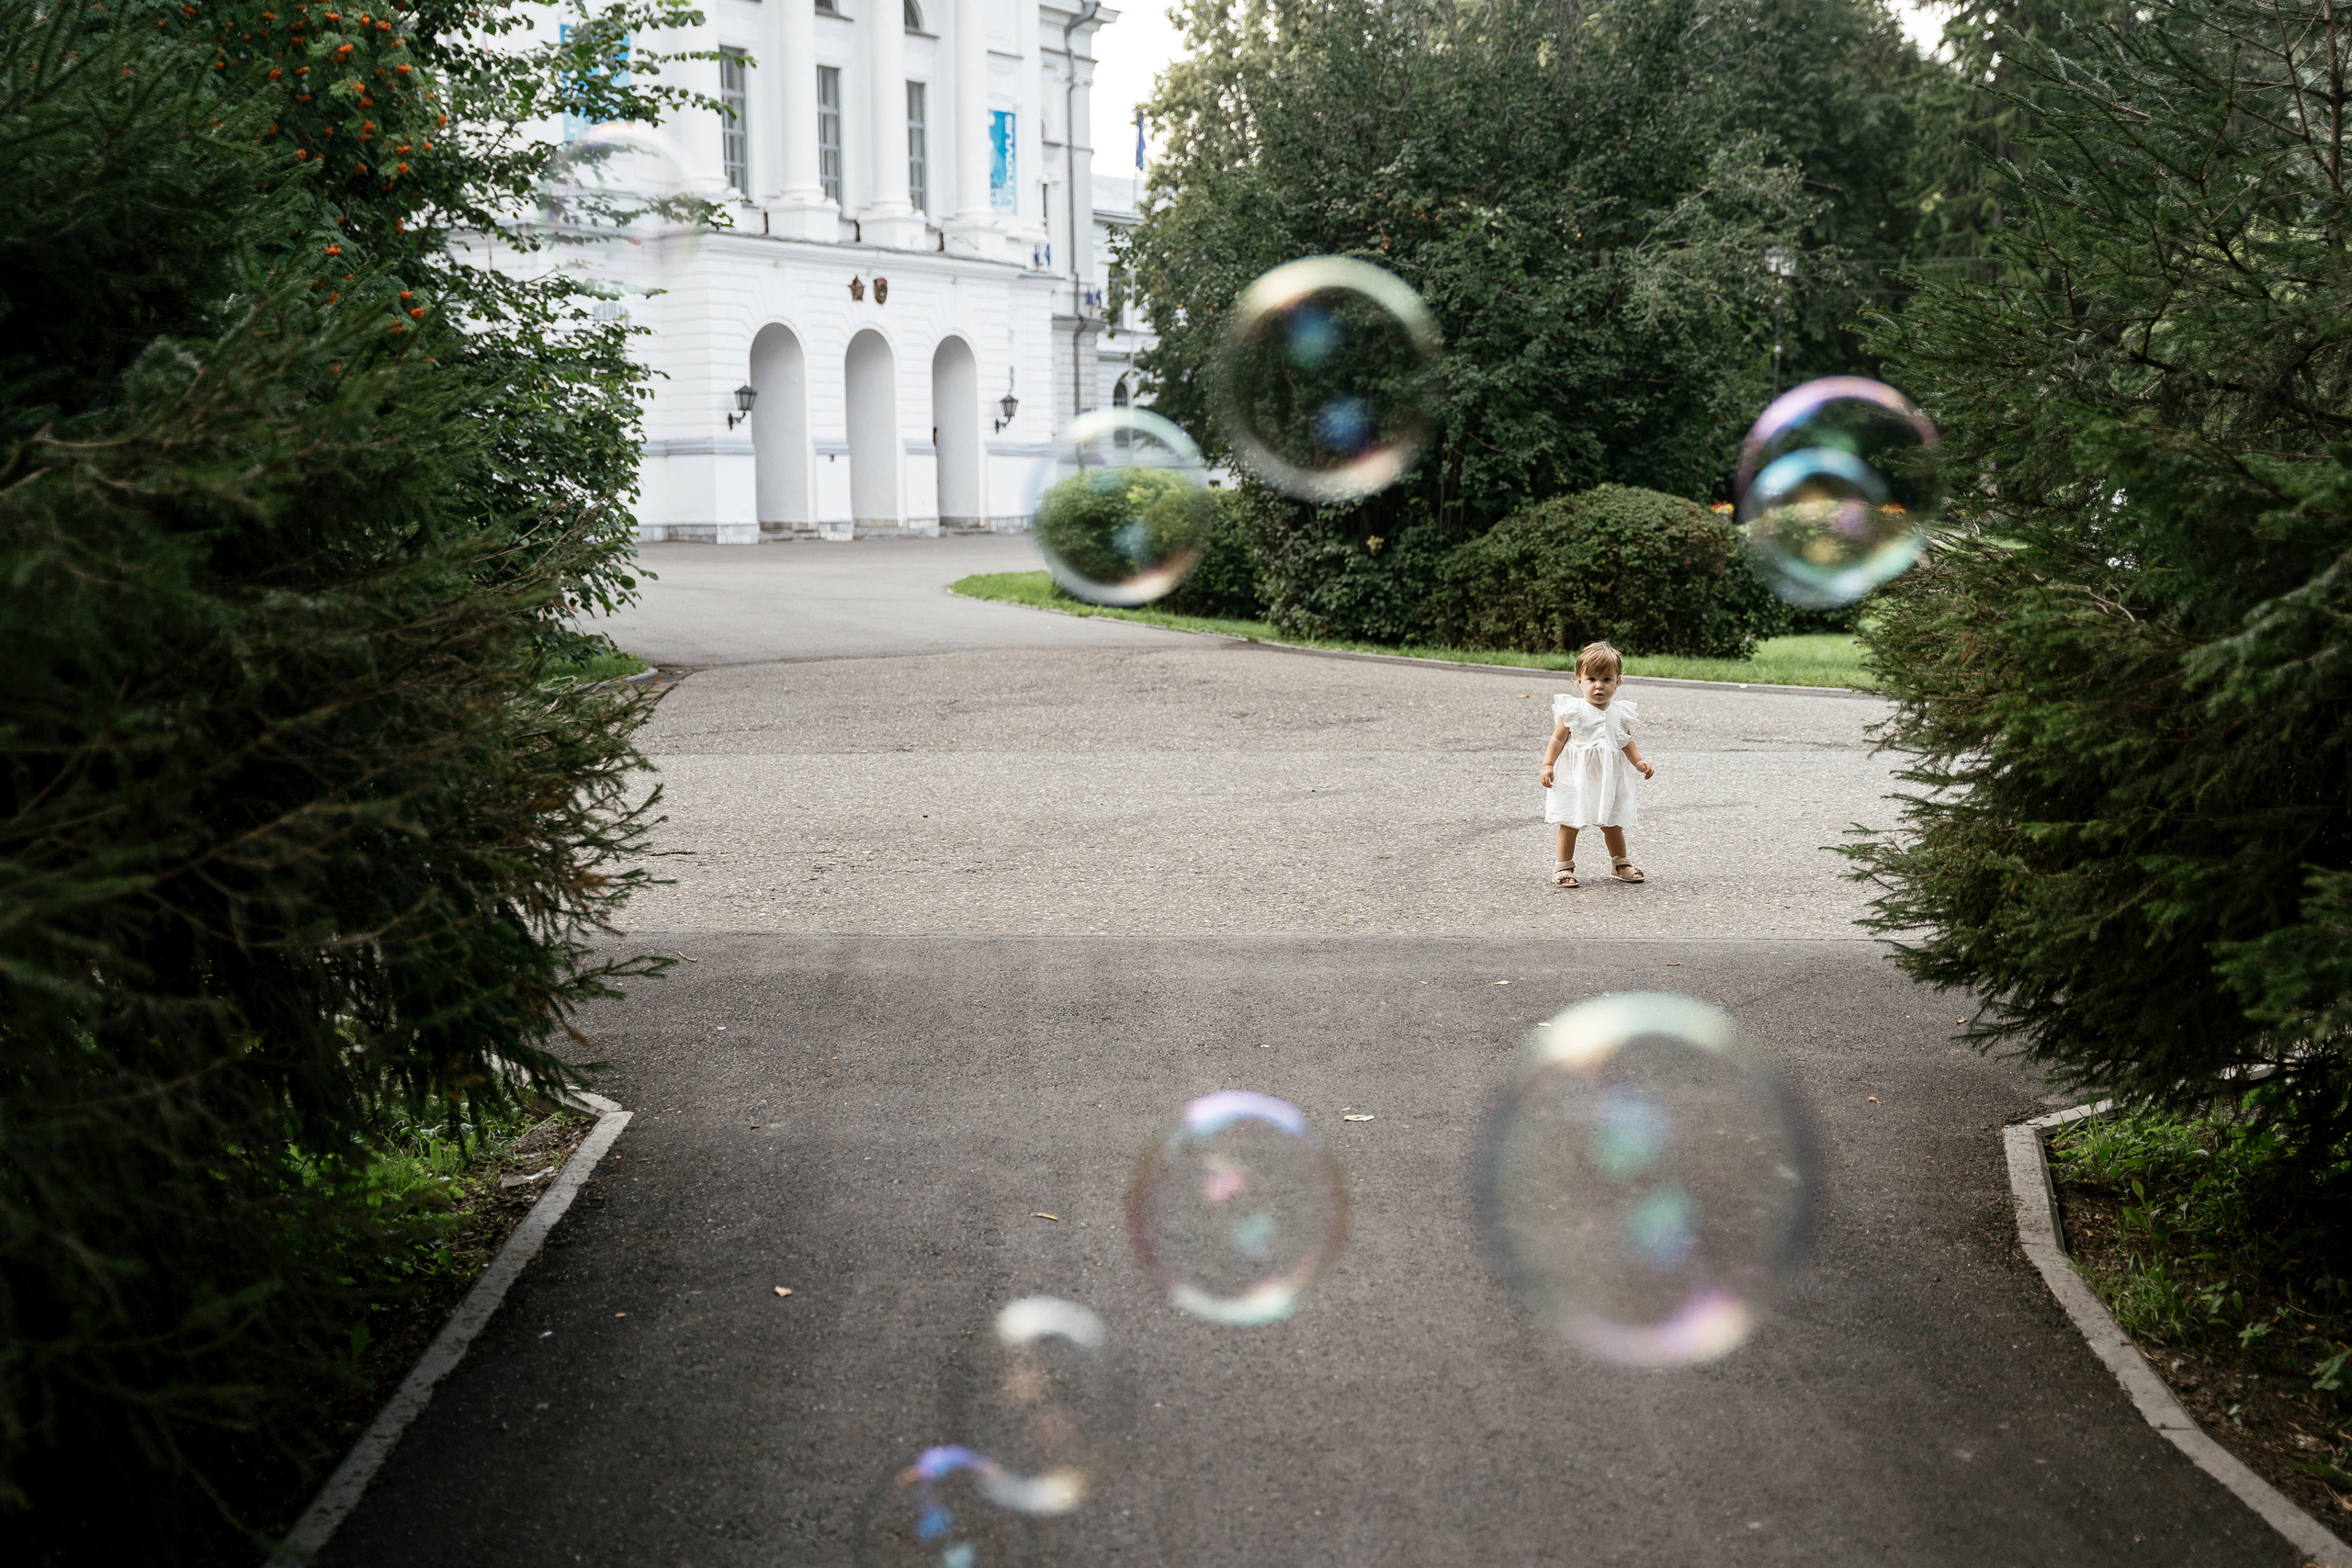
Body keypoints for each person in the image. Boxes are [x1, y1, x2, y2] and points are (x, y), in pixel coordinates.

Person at [1539, 640, 1655, 887]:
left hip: (1608, 778)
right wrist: (1548, 764)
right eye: (1591, 679)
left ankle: (1620, 862)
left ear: (1618, 681)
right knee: (1570, 822)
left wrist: (1638, 762)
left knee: (1613, 822)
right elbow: (1558, 739)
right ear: (1579, 681)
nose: (1599, 686)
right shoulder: (1573, 710)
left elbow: (1625, 741)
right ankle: (1563, 866)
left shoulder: (1620, 712)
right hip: (1575, 777)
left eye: (1606, 679)